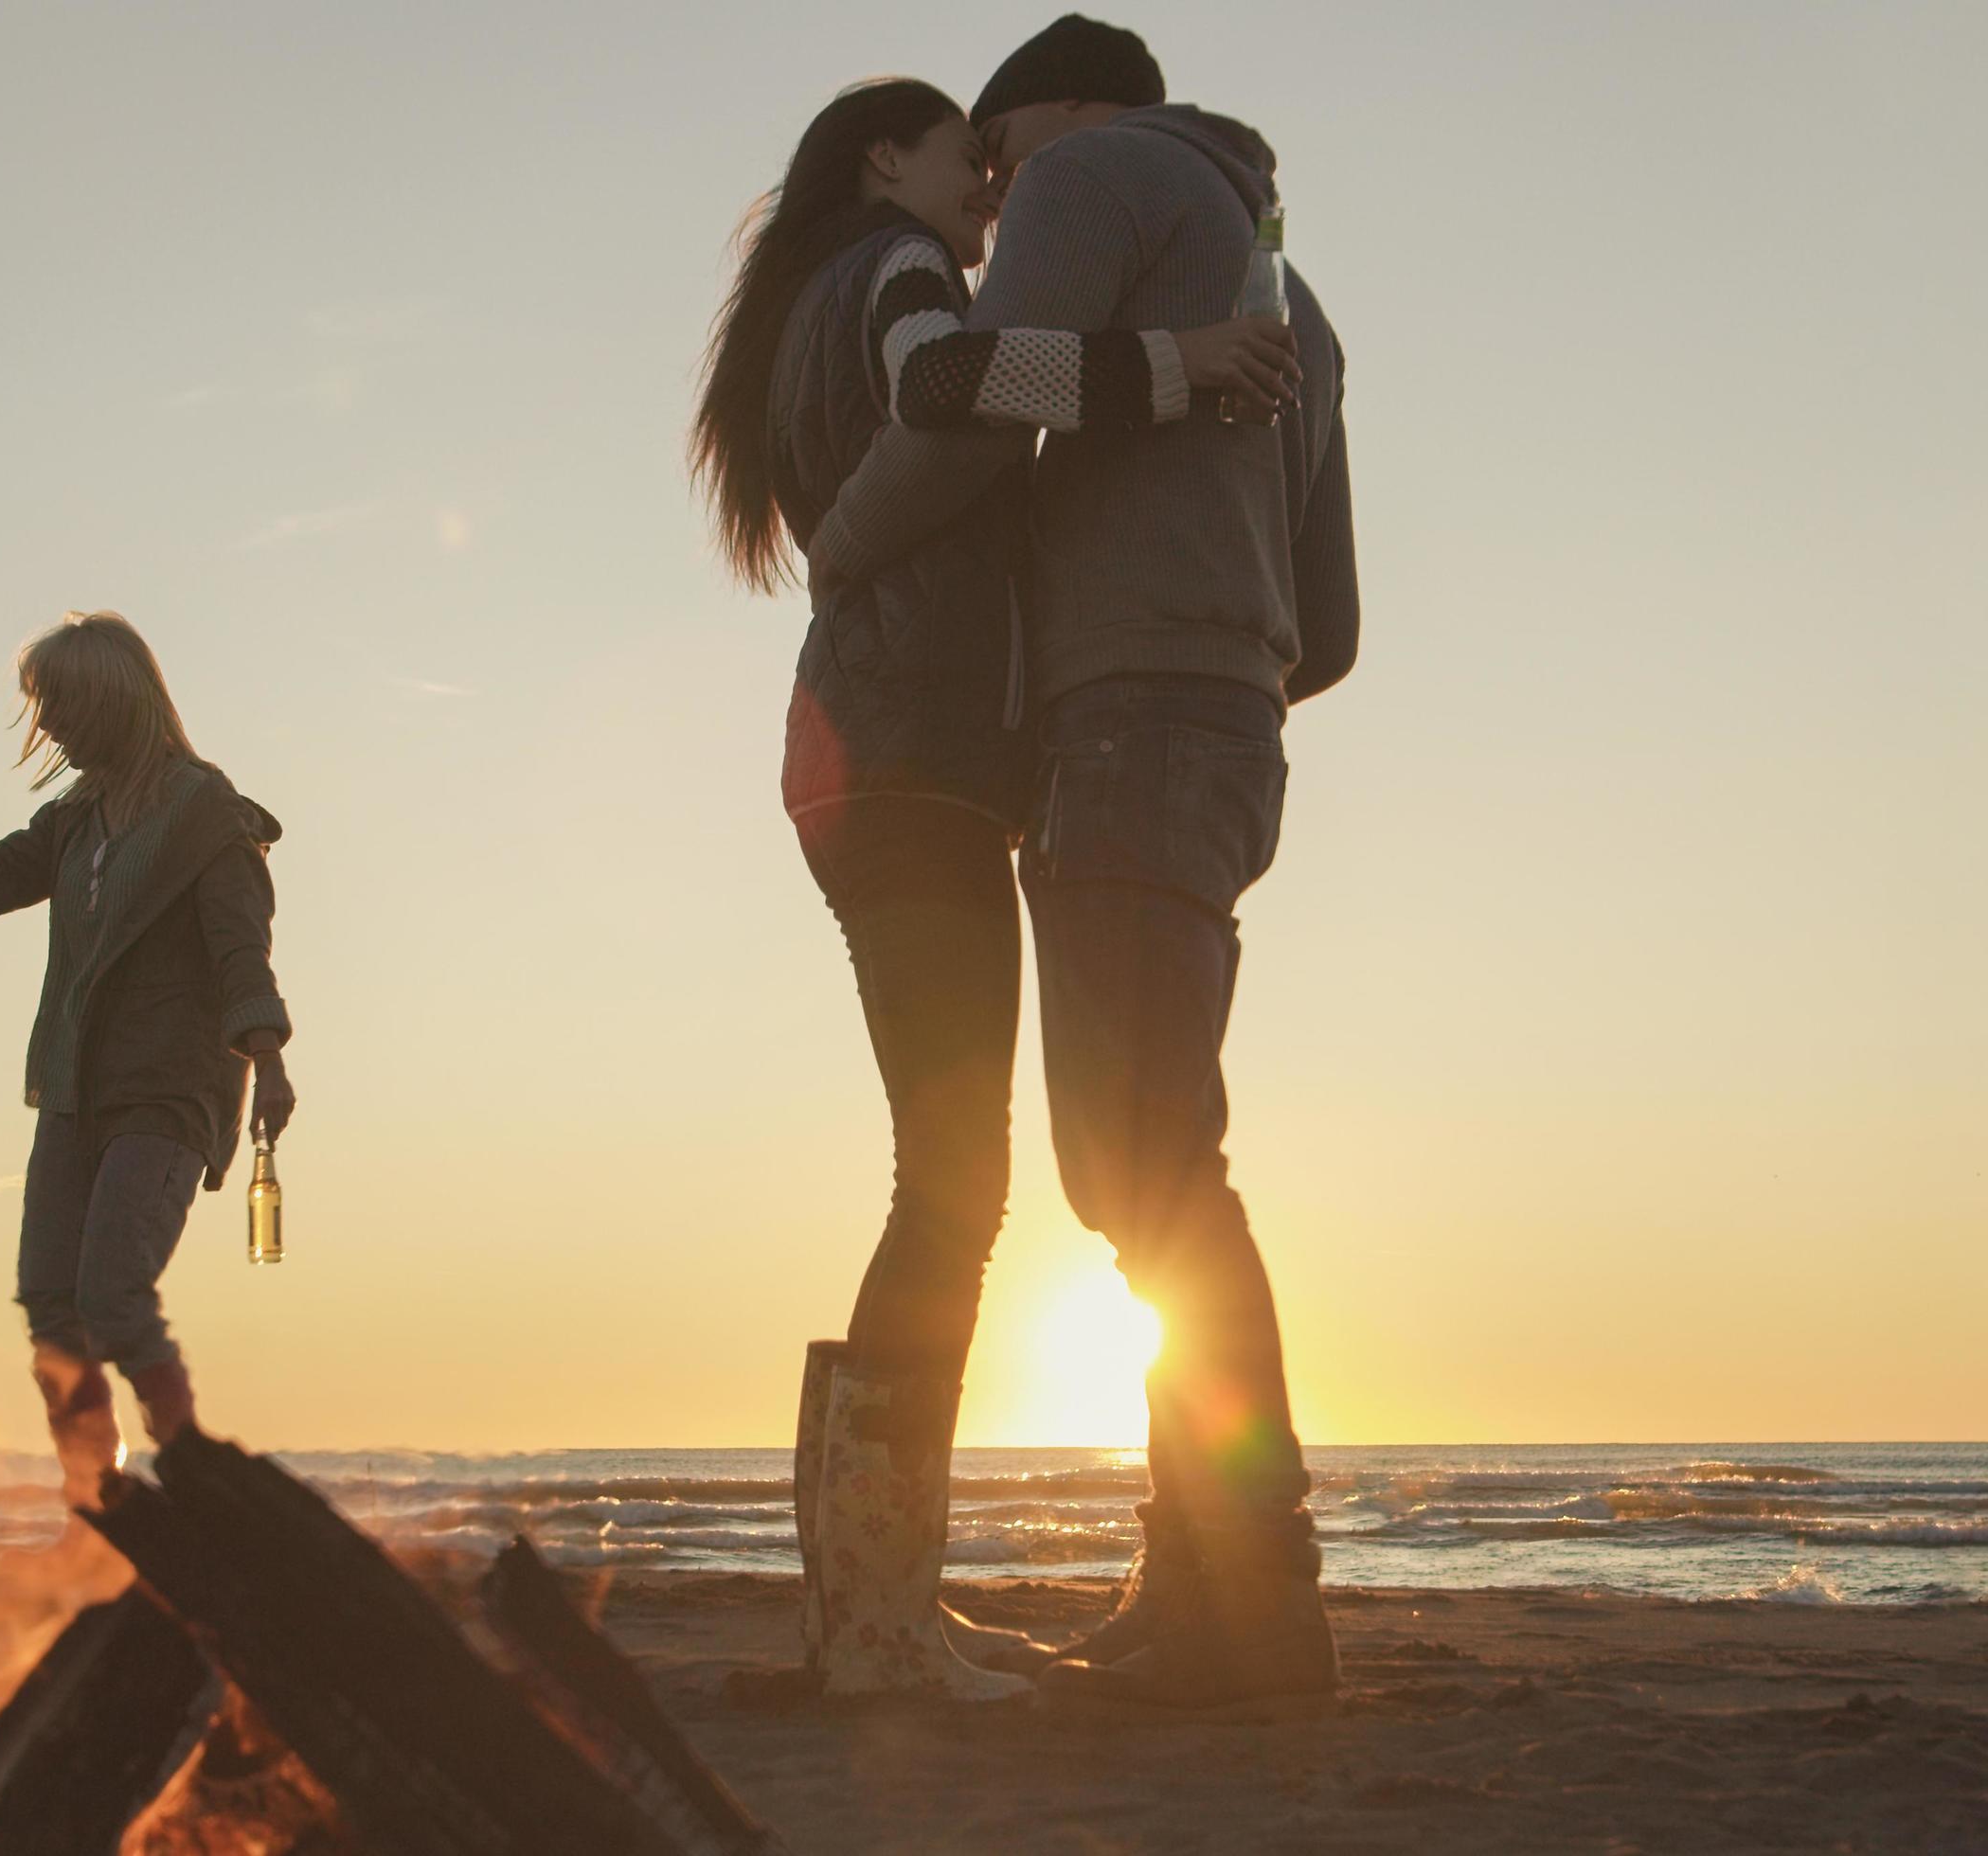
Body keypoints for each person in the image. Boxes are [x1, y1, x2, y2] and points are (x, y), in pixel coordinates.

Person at [690, 77, 1298, 1700]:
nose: (985, 195)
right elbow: (956, 382)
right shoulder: (894, 281)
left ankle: (863, 1619)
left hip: (874, 762)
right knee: (951, 1195)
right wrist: (1177, 368)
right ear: (884, 156)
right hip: (903, 766)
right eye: (965, 159)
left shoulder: (819, 296)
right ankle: (880, 1629)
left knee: (942, 1187)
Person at [0, 613, 293, 1513]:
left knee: (113, 1297)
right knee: (52, 1303)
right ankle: (100, 1499)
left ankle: (200, 1478)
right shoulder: (74, 821)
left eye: (60, 707)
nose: (49, 729)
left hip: (168, 1094)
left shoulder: (206, 814)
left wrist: (268, 1059)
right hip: (74, 1092)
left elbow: (241, 950)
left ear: (111, 702)